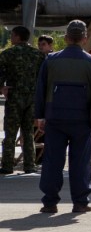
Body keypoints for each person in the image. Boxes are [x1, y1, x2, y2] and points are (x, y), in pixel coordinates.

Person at [34, 19, 91, 214]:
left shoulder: (50, 60)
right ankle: (80, 202)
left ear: (66, 38)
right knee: (80, 162)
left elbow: (40, 91)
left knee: (52, 161)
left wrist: (40, 117)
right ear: (84, 39)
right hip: (83, 120)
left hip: (55, 118)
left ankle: (50, 203)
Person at [1, 26, 46, 175]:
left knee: (11, 133)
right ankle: (29, 165)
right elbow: (44, 78)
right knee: (28, 133)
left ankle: (7, 165)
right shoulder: (38, 55)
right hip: (33, 98)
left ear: (18, 37)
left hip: (14, 97)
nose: (11, 38)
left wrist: (1, 87)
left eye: (12, 35)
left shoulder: (8, 54)